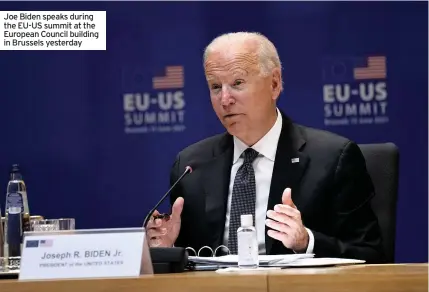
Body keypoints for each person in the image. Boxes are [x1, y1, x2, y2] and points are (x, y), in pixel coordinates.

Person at [146, 32, 386, 263]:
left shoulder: (332, 159)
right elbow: (191, 261)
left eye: (237, 83)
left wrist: (307, 242)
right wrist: (168, 249)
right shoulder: (190, 167)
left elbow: (372, 255)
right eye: (216, 87)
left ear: (274, 84)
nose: (225, 99)